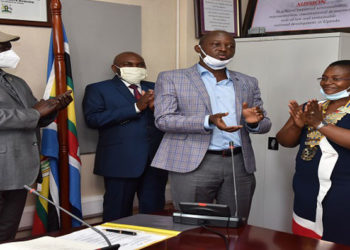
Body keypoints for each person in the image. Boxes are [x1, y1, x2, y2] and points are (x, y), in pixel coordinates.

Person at [151, 30, 271, 219]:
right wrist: (208, 121)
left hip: (238, 163)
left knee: (236, 222)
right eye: (216, 44)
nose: (224, 49)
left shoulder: (248, 82)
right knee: (192, 225)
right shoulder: (172, 78)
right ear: (198, 48)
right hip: (193, 163)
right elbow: (163, 119)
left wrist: (255, 123)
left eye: (230, 46)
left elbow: (265, 124)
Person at [0, 31, 72, 241]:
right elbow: (32, 113)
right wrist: (35, 112)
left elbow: (35, 118)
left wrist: (54, 108)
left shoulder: (16, 81)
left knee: (7, 232)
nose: (10, 53)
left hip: (21, 169)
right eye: (4, 48)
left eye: (8, 47)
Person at [83, 52, 168, 222]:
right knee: (117, 214)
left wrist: (155, 110)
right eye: (129, 64)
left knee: (155, 214)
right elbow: (93, 119)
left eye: (140, 65)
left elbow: (171, 119)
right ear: (115, 68)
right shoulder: (98, 89)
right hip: (120, 161)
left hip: (155, 161)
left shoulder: (158, 87)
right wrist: (136, 107)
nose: (135, 68)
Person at [276, 60, 350, 246]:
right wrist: (296, 125)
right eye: (324, 78)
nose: (327, 82)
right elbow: (284, 141)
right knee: (305, 241)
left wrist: (319, 124)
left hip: (342, 194)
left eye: (336, 78)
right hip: (306, 190)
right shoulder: (311, 106)